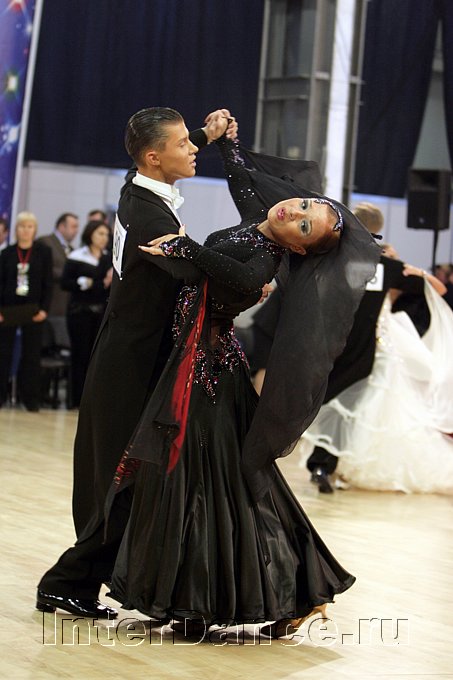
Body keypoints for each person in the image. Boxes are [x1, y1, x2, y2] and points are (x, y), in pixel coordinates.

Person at [103, 134, 380, 638]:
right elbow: (243, 186)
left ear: (298, 247)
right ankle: (253, 595)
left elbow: (239, 273)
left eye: (304, 224)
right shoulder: (260, 221)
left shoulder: (267, 259)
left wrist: (186, 245)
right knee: (220, 484)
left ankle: (217, 598)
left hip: (208, 375)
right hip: (200, 366)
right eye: (304, 205)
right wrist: (226, 144)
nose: (293, 212)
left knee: (208, 484)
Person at [36, 107, 238, 619]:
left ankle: (101, 582)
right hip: (131, 365)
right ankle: (65, 582)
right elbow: (197, 275)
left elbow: (164, 149)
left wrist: (208, 134)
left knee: (131, 478)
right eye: (182, 144)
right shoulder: (150, 217)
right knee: (124, 479)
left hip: (132, 355)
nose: (191, 149)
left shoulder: (140, 189)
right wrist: (254, 271)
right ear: (153, 157)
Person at [305, 203, 446, 493]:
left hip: (332, 344)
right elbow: (438, 289)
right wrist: (414, 270)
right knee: (350, 407)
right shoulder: (385, 266)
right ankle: (327, 464)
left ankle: (324, 464)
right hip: (364, 348)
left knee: (340, 404)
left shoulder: (331, 258)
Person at [0, 212, 52, 411]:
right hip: (9, 310)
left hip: (33, 309)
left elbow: (48, 283)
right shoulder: (7, 253)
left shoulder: (43, 252)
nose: (25, 230)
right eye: (22, 226)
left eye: (30, 226)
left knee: (31, 355)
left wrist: (44, 309)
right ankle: (1, 396)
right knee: (4, 354)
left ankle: (30, 398)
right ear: (16, 229)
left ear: (35, 230)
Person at [61, 220, 112, 407]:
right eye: (100, 233)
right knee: (80, 355)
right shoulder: (77, 256)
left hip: (100, 313)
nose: (104, 238)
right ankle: (75, 399)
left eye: (106, 234)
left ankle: (90, 401)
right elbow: (65, 283)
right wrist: (84, 283)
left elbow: (106, 287)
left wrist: (101, 284)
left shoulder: (109, 259)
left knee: (95, 357)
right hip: (79, 313)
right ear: (90, 234)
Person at [37, 213, 79, 346]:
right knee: (45, 343)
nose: (76, 231)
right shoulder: (45, 242)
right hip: (49, 303)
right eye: (73, 226)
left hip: (65, 306)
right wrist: (68, 275)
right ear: (61, 226)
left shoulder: (72, 249)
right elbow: (43, 269)